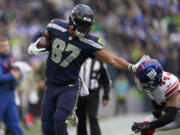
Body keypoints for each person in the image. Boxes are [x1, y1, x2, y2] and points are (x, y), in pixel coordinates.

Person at [28, 3, 149, 135]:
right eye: (81, 24)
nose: (84, 28)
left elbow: (112, 59)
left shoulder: (89, 42)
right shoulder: (57, 26)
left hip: (68, 86)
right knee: (46, 128)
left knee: (59, 119)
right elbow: (43, 33)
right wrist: (34, 43)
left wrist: (132, 67)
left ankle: (70, 111)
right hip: (50, 84)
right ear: (72, 20)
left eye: (87, 25)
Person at [131, 59, 180, 135]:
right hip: (170, 111)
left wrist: (149, 126)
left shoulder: (170, 84)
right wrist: (156, 110)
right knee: (146, 127)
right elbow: (157, 106)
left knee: (147, 126)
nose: (142, 84)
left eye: (146, 82)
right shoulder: (154, 84)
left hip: (176, 116)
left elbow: (171, 116)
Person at [76, 58, 111, 135]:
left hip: (93, 94)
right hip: (79, 94)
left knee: (92, 117)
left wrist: (106, 96)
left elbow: (106, 81)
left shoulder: (99, 61)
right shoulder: (77, 58)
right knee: (80, 119)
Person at [0, 37, 24, 135]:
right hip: (1, 94)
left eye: (7, 45)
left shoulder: (11, 58)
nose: (6, 48)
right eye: (2, 46)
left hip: (10, 95)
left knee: (14, 124)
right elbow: (0, 77)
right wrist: (13, 75)